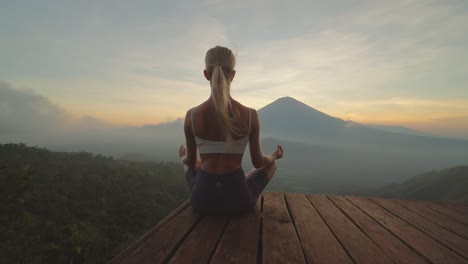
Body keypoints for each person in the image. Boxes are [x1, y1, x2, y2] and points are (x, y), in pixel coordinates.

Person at [178, 46, 283, 215]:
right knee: (271, 166)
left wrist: (183, 156)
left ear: (206, 75)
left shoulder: (191, 116)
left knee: (189, 164)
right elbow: (258, 163)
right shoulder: (250, 115)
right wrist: (273, 156)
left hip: (202, 202)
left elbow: (190, 162)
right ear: (233, 75)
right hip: (239, 202)